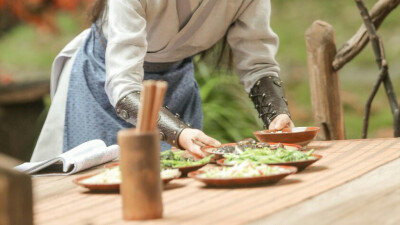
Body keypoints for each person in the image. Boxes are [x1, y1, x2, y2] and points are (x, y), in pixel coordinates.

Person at [30, 0, 294, 162]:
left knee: (180, 195)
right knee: (102, 197)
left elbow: (257, 61)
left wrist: (276, 117)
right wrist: (178, 132)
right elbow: (123, 85)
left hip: (175, 83)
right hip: (102, 85)